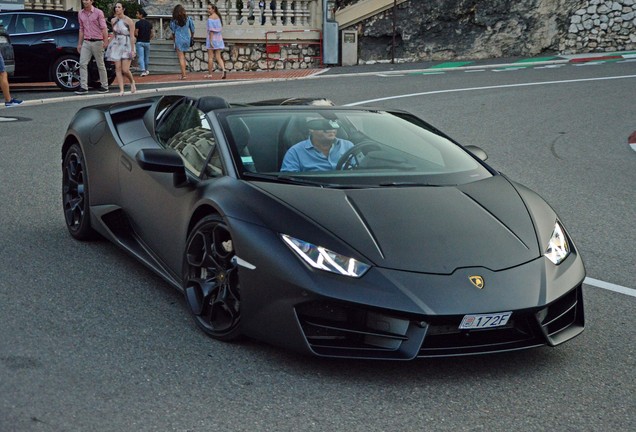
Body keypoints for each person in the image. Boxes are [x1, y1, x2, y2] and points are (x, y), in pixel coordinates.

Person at [280, 119, 354, 172]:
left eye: (333, 124)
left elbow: (361, 168)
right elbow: (288, 179)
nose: (330, 129)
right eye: (324, 125)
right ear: (311, 129)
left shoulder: (348, 146)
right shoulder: (295, 152)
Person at [76, 0, 110, 94]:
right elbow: (81, 29)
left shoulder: (98, 12)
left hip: (98, 41)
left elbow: (104, 28)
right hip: (86, 41)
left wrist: (105, 40)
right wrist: (79, 43)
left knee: (100, 64)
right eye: (84, 0)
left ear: (92, 1)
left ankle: (104, 86)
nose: (85, 2)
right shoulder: (80, 13)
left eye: (87, 0)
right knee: (82, 63)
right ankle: (83, 87)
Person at [105, 3, 136, 96]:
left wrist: (133, 49)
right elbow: (114, 33)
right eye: (116, 7)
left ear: (123, 9)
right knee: (117, 68)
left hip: (126, 44)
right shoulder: (113, 20)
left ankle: (132, 81)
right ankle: (121, 90)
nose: (117, 9)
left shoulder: (129, 21)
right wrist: (108, 43)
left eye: (119, 7)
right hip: (116, 44)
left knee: (125, 69)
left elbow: (132, 36)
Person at [170, 4, 195, 80]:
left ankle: (183, 75)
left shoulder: (174, 21)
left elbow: (173, 32)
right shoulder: (188, 19)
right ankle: (183, 73)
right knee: (183, 56)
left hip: (178, 39)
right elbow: (193, 29)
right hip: (186, 39)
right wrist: (192, 37)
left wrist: (174, 41)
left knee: (181, 57)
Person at [204, 4, 226, 79]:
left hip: (212, 39)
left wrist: (210, 41)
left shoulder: (210, 18)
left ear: (213, 9)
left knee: (210, 57)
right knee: (218, 57)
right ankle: (223, 69)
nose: (208, 10)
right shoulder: (218, 17)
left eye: (209, 9)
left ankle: (210, 74)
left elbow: (211, 31)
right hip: (219, 39)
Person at [135, 8, 153, 77]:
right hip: (147, 42)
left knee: (141, 56)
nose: (136, 15)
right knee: (146, 57)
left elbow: (136, 33)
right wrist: (148, 38)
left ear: (141, 14)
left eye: (137, 13)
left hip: (139, 41)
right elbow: (152, 34)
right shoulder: (149, 23)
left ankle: (143, 70)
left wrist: (136, 36)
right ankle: (146, 69)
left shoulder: (138, 23)